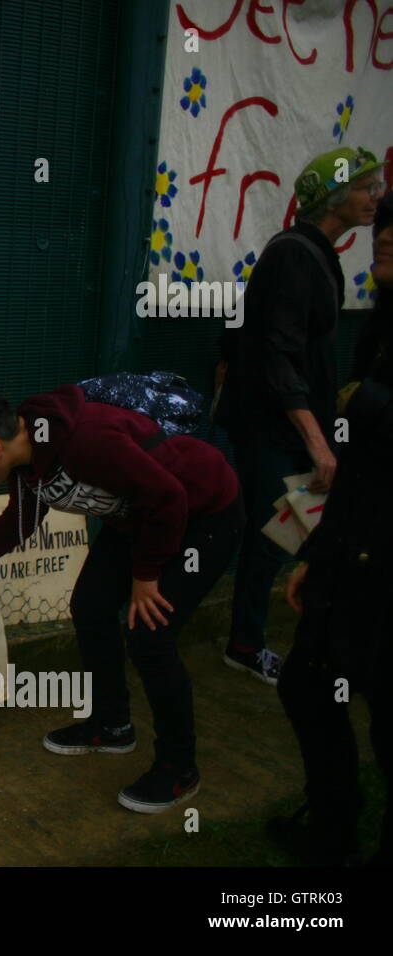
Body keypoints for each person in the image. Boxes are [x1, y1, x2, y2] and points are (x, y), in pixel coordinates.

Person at [0, 382, 244, 813]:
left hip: (202, 514)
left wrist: (146, 575)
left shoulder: (85, 441)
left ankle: (179, 769)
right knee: (90, 606)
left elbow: (168, 497)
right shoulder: (27, 463)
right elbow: (20, 522)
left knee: (150, 636)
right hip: (137, 521)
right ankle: (112, 724)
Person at [215, 146, 386, 686]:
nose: (376, 196)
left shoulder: (313, 253)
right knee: (272, 536)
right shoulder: (294, 254)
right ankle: (245, 646)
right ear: (333, 199)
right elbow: (279, 353)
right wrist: (315, 440)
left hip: (286, 427)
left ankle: (248, 640)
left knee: (280, 537)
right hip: (276, 430)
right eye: (366, 187)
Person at [270, 191, 393, 866]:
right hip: (353, 546)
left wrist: (368, 405)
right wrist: (316, 553)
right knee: (309, 684)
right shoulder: (378, 327)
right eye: (384, 227)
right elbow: (363, 468)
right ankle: (333, 825)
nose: (385, 237)